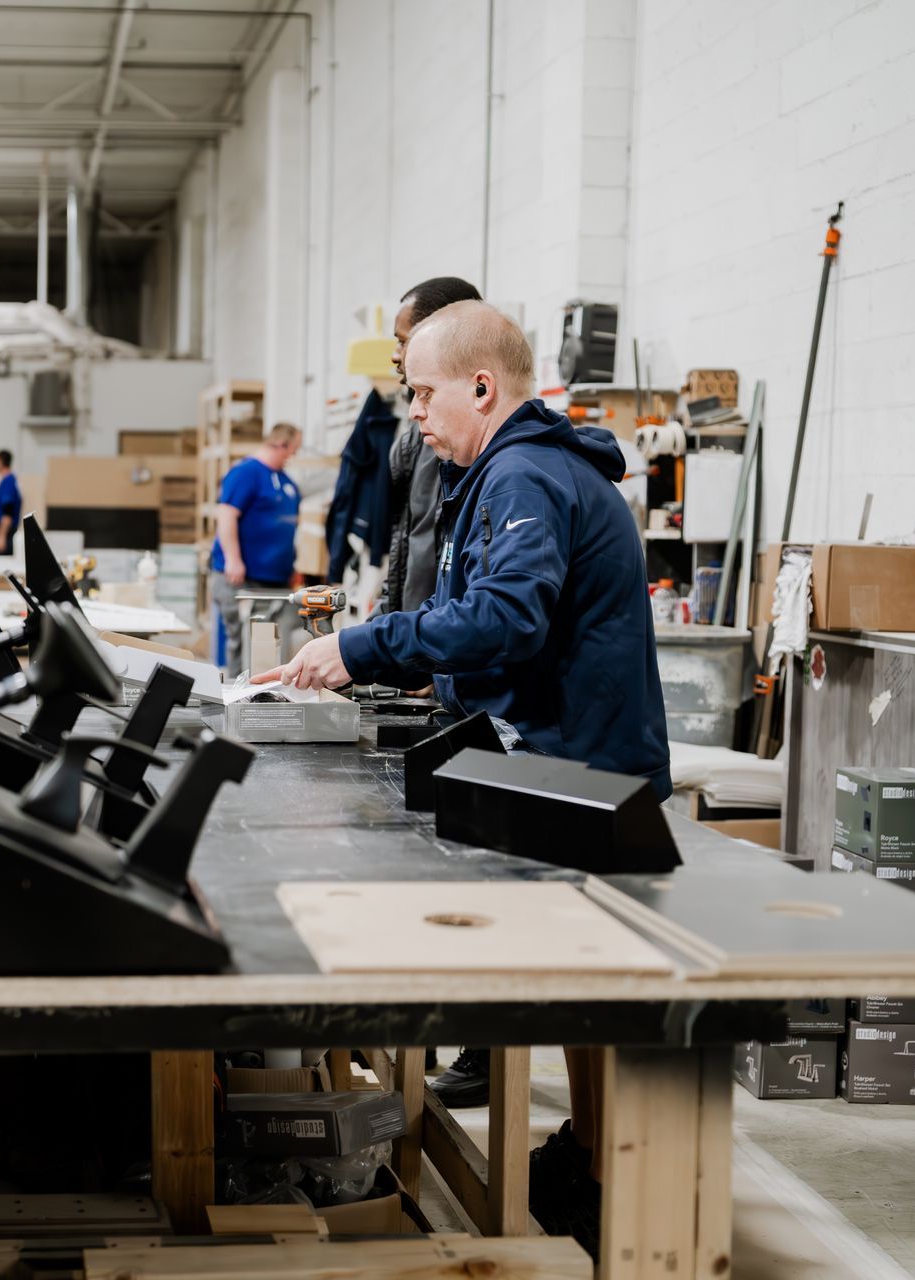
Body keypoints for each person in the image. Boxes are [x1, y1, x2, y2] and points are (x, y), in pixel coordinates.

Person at [251, 301, 670, 1256]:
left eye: (424, 393)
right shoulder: (502, 470)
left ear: (482, 387)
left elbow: (506, 619)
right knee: (578, 997)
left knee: (588, 993)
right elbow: (476, 619)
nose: (416, 416)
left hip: (587, 773)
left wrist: (361, 647)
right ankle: (596, 1159)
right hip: (566, 762)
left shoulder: (523, 473)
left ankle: (608, 1181)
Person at [375, 276, 489, 1113]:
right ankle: (427, 1023)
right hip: (421, 649)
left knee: (474, 859)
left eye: (411, 353)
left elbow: (480, 586)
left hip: (447, 653)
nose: (399, 372)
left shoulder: (488, 455)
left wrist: (420, 644)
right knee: (424, 844)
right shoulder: (417, 429)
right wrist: (384, 633)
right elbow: (403, 540)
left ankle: (485, 1044)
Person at [382, 276, 482, 615]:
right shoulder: (412, 444)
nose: (396, 356)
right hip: (414, 643)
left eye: (403, 341)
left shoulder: (480, 448)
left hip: (446, 645)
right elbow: (404, 550)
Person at [208, 422, 303, 676]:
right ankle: (237, 697)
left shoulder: (285, 482)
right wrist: (233, 559)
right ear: (282, 444)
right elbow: (226, 515)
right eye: (294, 448)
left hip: (275, 581)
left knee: (270, 646)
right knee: (242, 643)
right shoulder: (246, 473)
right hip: (242, 578)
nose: (294, 455)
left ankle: (267, 695)